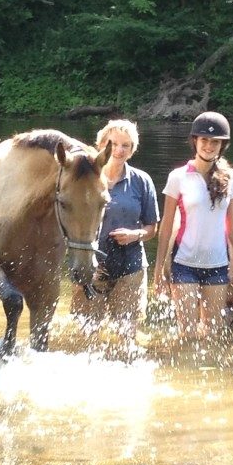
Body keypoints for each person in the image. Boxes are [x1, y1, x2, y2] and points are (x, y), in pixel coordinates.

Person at [152, 111, 233, 339]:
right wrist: (159, 270)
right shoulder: (178, 177)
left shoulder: (230, 177)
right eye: (204, 140)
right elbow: (166, 225)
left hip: (218, 265)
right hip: (184, 264)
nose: (208, 146)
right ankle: (182, 374)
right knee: (188, 335)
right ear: (195, 141)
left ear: (222, 145)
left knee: (213, 335)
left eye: (215, 142)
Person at [71, 119, 159, 340]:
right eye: (113, 144)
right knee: (87, 339)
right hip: (92, 266)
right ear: (101, 144)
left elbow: (152, 228)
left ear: (132, 150)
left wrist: (135, 235)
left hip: (131, 266)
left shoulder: (142, 181)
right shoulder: (85, 179)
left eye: (125, 145)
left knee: (126, 339)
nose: (118, 150)